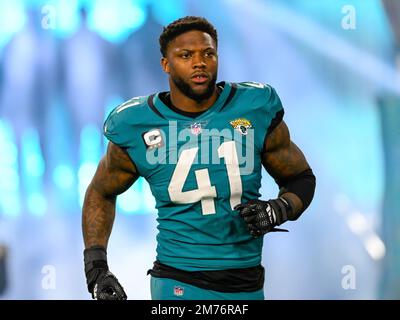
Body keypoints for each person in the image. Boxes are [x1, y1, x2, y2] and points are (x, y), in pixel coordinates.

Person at [82, 16, 316, 300]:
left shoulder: (254, 107)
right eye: (186, 55)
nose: (199, 62)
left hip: (246, 281)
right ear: (165, 64)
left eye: (208, 53)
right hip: (177, 280)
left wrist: (280, 208)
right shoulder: (136, 123)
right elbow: (101, 191)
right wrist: (96, 268)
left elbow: (300, 178)